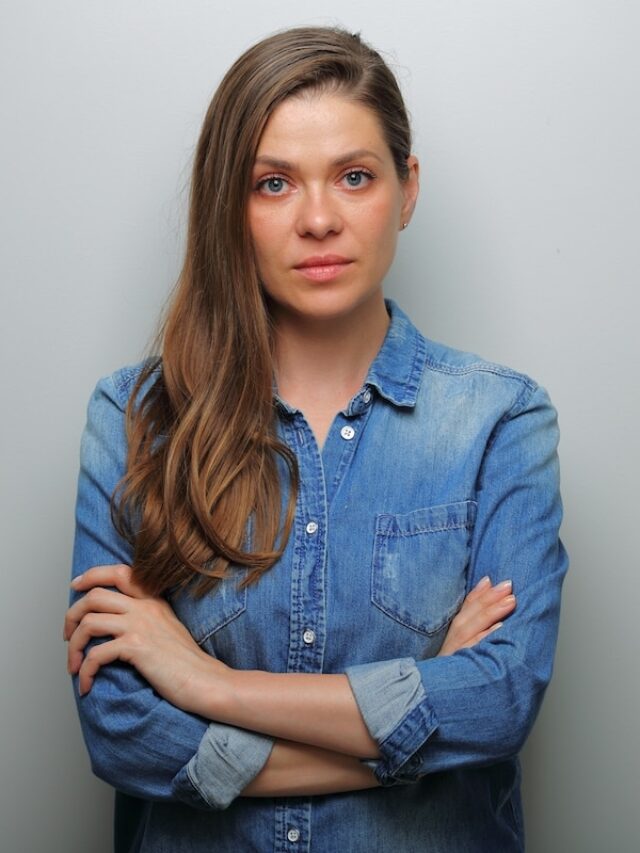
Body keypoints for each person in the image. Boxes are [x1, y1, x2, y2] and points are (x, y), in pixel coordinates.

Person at [64, 26, 567, 853]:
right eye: (273, 184)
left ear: (407, 190)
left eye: (355, 176)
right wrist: (411, 728)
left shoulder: (500, 421)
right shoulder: (134, 416)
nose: (320, 219)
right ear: (230, 204)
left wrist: (204, 682)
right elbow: (123, 731)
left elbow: (499, 702)